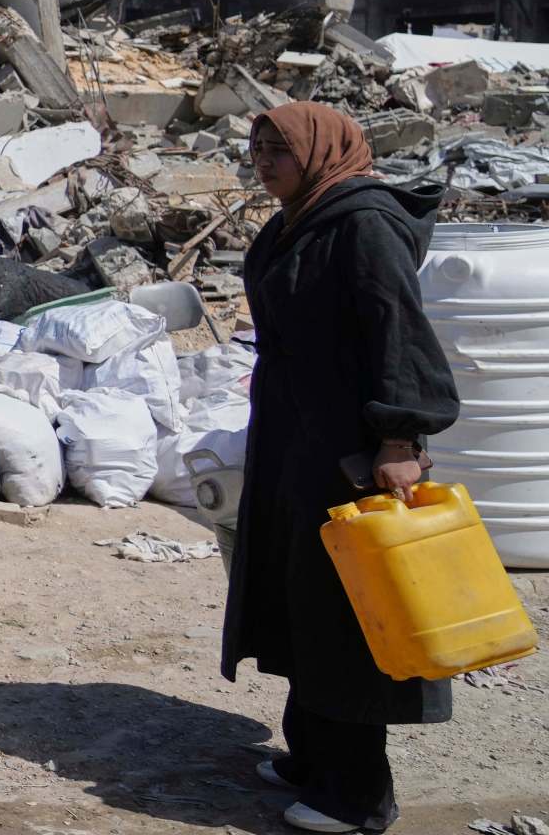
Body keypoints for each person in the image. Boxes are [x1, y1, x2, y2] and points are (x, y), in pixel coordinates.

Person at [225, 103, 457, 834]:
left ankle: (359, 794)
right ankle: (314, 755)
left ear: (322, 151)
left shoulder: (362, 222)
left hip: (352, 450)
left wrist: (398, 439)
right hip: (298, 440)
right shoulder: (300, 215)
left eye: (279, 150)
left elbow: (398, 330)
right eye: (257, 148)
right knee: (301, 594)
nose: (264, 162)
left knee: (349, 616)